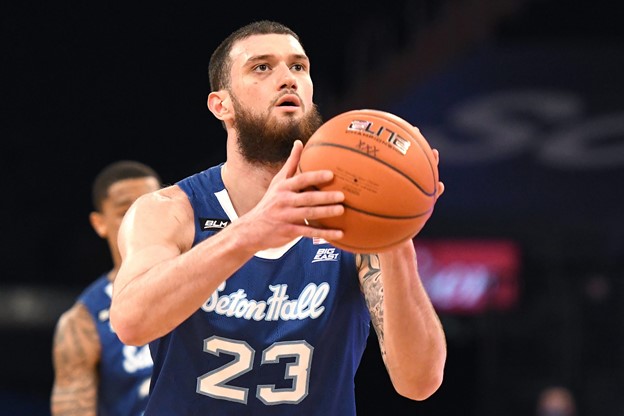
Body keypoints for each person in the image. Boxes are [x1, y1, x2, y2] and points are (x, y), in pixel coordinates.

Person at [110, 20, 447, 415]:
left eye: (298, 67)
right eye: (262, 67)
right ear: (223, 105)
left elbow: (420, 383)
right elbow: (131, 324)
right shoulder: (169, 211)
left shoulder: (351, 222)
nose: (287, 78)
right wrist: (249, 234)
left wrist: (394, 237)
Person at [51, 160, 162, 416]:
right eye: (126, 210)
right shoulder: (83, 321)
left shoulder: (207, 282)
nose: (141, 217)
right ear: (99, 223)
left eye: (149, 205)